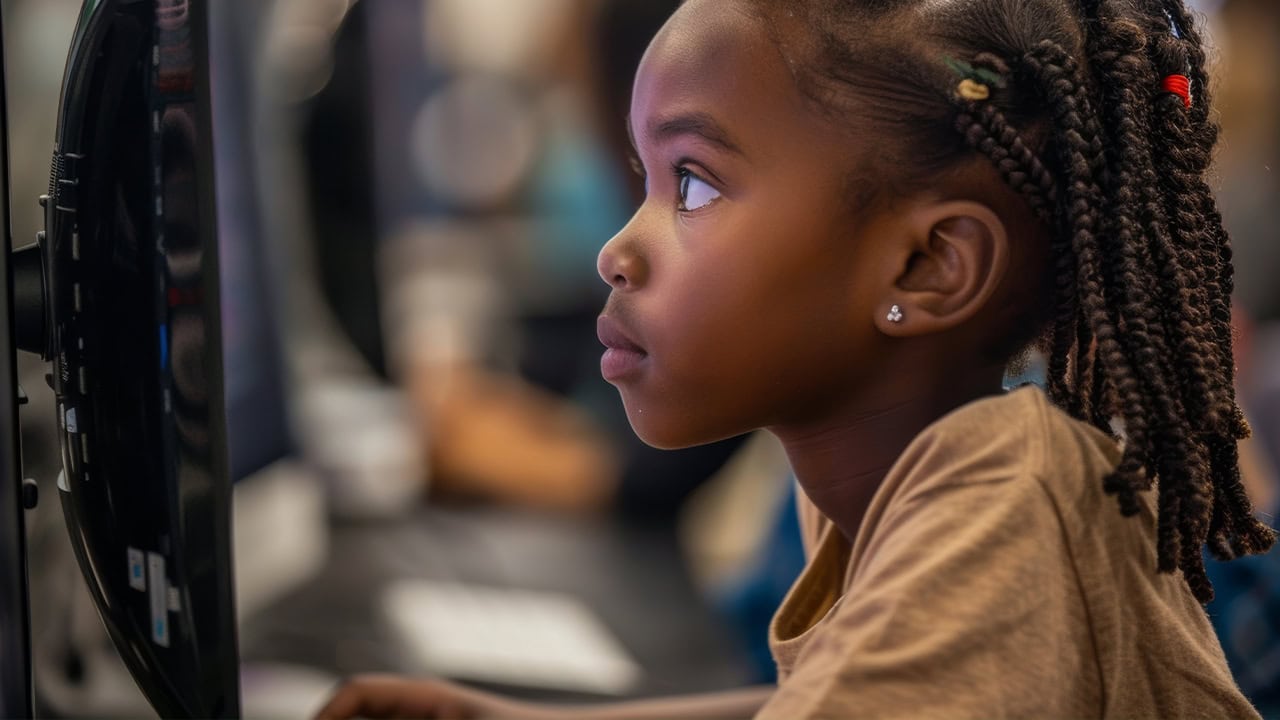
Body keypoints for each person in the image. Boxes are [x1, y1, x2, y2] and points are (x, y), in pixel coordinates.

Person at [315, 0, 1276, 716]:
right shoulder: (882, 480)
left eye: (691, 185)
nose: (619, 248)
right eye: (645, 178)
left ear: (929, 265)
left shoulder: (1004, 501)